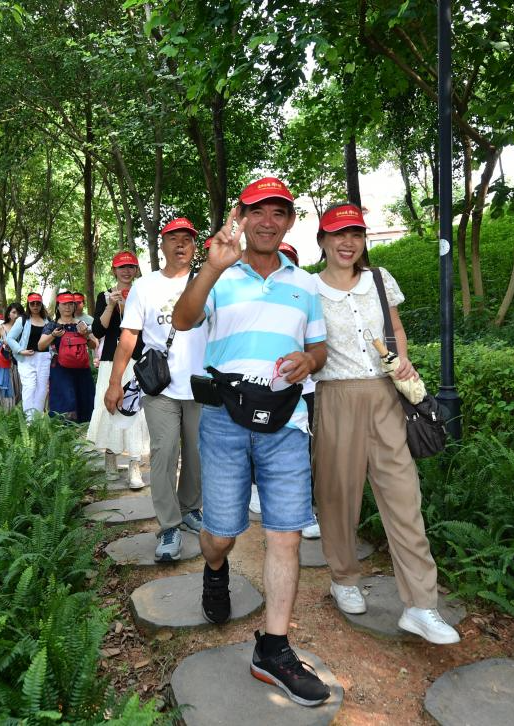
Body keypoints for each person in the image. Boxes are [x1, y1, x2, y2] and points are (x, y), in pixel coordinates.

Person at [171, 178, 329, 707]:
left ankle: (275, 647)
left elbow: (318, 346)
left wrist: (310, 362)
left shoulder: (305, 284)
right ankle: (214, 567)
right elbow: (183, 318)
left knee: (285, 531)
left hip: (287, 420)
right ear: (241, 216)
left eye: (278, 212)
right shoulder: (220, 273)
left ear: (288, 221)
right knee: (220, 532)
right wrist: (212, 266)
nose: (268, 221)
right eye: (258, 211)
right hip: (223, 419)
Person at [312, 202, 460, 645]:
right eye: (338, 234)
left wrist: (405, 363)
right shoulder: (306, 288)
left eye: (356, 234)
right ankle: (343, 577)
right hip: (335, 396)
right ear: (322, 239)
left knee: (403, 495)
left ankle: (421, 604)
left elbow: (395, 329)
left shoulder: (380, 279)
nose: (347, 242)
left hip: (385, 395)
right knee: (339, 495)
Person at [105, 218, 207, 562]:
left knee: (196, 452)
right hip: (160, 385)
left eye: (187, 240)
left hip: (201, 385)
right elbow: (128, 336)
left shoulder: (209, 282)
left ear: (194, 247)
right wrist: (114, 382)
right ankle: (169, 526)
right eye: (173, 239)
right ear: (161, 246)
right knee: (164, 453)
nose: (181, 245)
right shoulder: (145, 287)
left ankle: (191, 508)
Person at [248, 242, 322, 540]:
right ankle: (258, 488)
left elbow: (319, 341)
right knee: (263, 441)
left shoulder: (306, 291)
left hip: (306, 387)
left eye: (288, 260)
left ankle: (303, 510)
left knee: (301, 449)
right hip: (268, 389)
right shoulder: (256, 295)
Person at [89, 251, 149, 488]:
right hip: (109, 362)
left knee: (135, 410)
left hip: (135, 361)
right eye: (121, 267)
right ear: (114, 270)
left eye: (131, 267)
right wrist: (111, 306)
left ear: (136, 270)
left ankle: (135, 465)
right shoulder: (105, 296)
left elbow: (143, 331)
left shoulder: (143, 294)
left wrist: (127, 309)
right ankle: (110, 457)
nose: (126, 271)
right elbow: (99, 331)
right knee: (108, 408)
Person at [38, 292, 97, 422]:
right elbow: (41, 345)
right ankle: (64, 434)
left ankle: (83, 432)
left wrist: (86, 335)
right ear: (58, 306)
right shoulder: (52, 326)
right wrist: (53, 335)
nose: (68, 307)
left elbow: (94, 345)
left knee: (84, 398)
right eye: (64, 304)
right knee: (64, 400)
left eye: (71, 304)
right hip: (60, 369)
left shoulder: (81, 324)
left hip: (81, 368)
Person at [5, 293, 51, 421]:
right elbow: (10, 338)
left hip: (44, 358)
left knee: (42, 389)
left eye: (38, 303)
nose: (35, 306)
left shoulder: (47, 320)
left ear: (41, 304)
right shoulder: (23, 320)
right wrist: (20, 350)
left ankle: (37, 419)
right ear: (28, 304)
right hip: (27, 359)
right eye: (32, 303)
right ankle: (29, 421)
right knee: (29, 387)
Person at [0, 303, 23, 410]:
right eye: (14, 312)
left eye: (19, 313)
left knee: (19, 386)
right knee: (7, 385)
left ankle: (20, 411)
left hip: (20, 362)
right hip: (5, 363)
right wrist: (3, 344)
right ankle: (6, 412)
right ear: (9, 314)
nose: (16, 315)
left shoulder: (24, 327)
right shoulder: (1, 328)